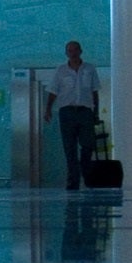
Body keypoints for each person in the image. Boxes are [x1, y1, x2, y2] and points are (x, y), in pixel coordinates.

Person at [42, 41, 101, 189]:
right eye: (69, 50)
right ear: (66, 53)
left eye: (75, 50)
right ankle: (73, 180)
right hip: (67, 112)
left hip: (85, 111)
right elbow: (53, 91)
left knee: (88, 144)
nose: (72, 53)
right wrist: (48, 109)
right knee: (69, 147)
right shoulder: (61, 71)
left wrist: (95, 112)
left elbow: (94, 92)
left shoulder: (89, 69)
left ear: (80, 51)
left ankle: (85, 172)